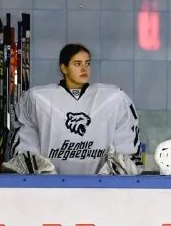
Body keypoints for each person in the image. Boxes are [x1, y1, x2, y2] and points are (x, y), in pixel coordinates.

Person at [10, 43, 140, 175]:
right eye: (77, 64)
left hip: (101, 190)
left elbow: (128, 153)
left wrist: (112, 174)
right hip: (50, 190)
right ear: (64, 68)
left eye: (87, 63)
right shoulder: (37, 98)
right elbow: (24, 152)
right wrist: (47, 179)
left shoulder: (114, 98)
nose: (84, 69)